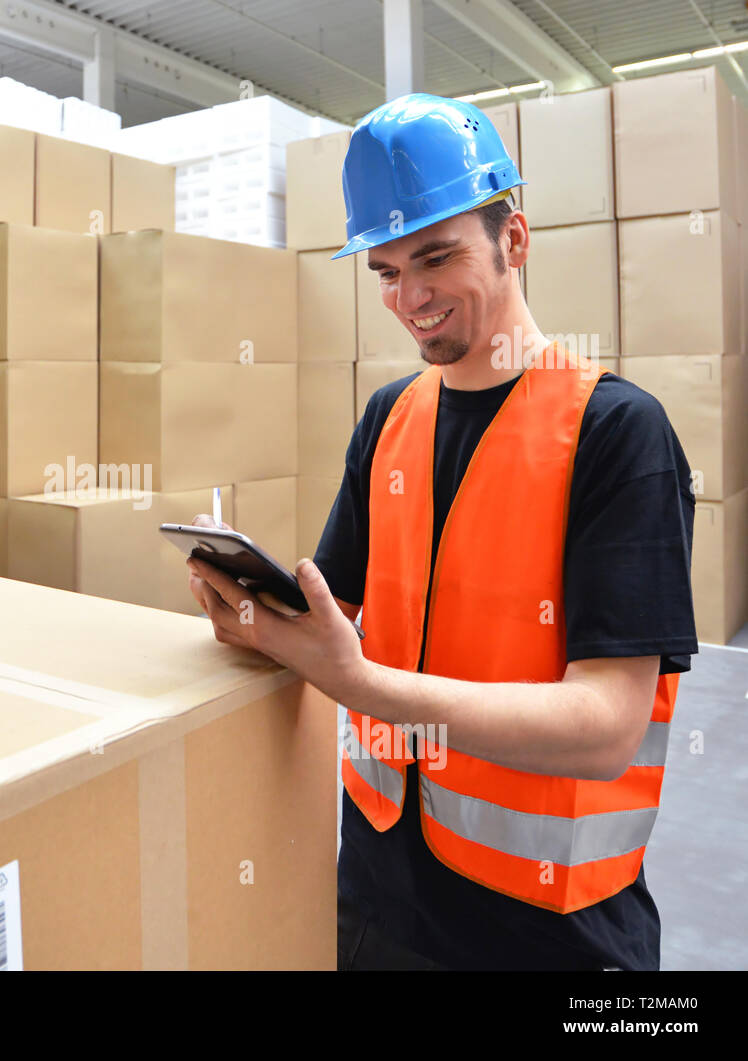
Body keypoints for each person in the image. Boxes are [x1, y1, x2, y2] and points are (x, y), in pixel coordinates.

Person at [186, 92, 698, 971]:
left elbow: (608, 723)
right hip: (382, 901)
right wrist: (259, 619)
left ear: (515, 241)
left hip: (552, 933)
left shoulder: (616, 432)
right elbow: (339, 620)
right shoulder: (391, 417)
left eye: (435, 257)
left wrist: (363, 686)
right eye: (385, 271)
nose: (409, 297)